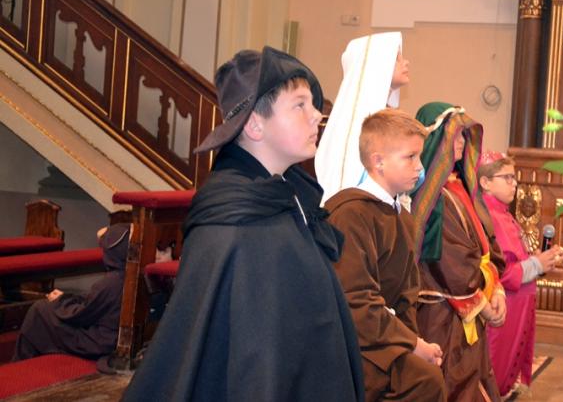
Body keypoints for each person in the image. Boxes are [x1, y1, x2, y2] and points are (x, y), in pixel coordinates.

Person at [123, 47, 364, 402]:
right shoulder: (232, 222)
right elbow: (247, 358)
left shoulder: (287, 195)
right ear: (254, 124)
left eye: (313, 105)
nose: (317, 115)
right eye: (299, 105)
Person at [326, 109, 446, 402]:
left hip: (383, 337)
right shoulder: (350, 213)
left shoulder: (401, 217)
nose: (420, 167)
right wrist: (412, 344)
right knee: (426, 381)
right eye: (410, 157)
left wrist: (413, 343)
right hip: (353, 342)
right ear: (378, 161)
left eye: (419, 156)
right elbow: (355, 300)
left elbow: (407, 296)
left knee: (429, 374)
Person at [411, 102, 506, 402]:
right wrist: (483, 302)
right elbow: (451, 263)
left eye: (465, 135)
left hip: (467, 313)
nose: (462, 142)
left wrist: (497, 290)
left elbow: (487, 246)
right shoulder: (432, 196)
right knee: (451, 388)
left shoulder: (461, 187)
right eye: (455, 135)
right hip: (442, 318)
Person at [478, 151, 563, 397]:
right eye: (506, 178)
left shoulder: (503, 213)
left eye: (514, 178)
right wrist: (536, 264)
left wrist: (540, 261)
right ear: (485, 183)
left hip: (518, 304)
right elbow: (500, 271)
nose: (514, 183)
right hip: (504, 304)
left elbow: (514, 259)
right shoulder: (489, 217)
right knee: (495, 371)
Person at [315, 32, 410, 203]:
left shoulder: (386, 113)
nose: (406, 62)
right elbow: (348, 179)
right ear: (378, 63)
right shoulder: (355, 118)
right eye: (397, 58)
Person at [13, 223, 130, 361]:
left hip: (98, 344)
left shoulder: (110, 282)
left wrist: (58, 301)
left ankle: (21, 361)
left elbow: (81, 315)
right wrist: (65, 298)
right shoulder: (130, 276)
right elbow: (93, 303)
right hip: (112, 339)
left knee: (40, 310)